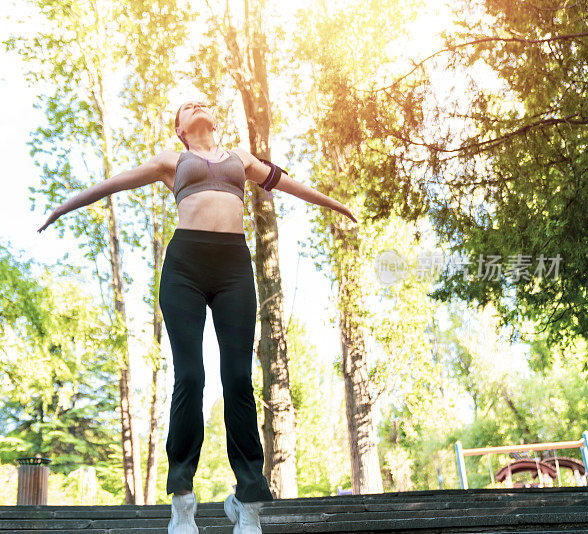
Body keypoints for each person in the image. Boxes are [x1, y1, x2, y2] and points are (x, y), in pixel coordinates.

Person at [37, 100, 357, 533]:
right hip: (184, 267)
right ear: (181, 130)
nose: (197, 106)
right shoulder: (173, 161)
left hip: (233, 269)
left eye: (202, 103)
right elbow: (113, 185)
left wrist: (337, 205)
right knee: (190, 376)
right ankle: (183, 501)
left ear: (212, 120)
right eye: (188, 108)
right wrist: (63, 207)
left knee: (238, 380)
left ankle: (248, 503)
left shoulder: (240, 159)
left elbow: (290, 184)